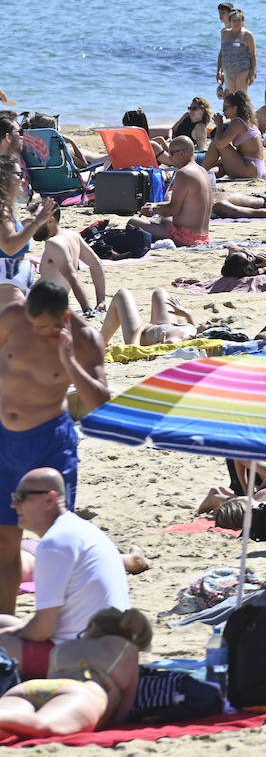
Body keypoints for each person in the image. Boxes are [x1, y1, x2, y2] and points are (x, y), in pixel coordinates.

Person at [0, 283, 108, 613]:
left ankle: (57, 625)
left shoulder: (84, 339)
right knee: (5, 541)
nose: (37, 332)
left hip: (49, 443)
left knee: (55, 541)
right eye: (33, 325)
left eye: (45, 327)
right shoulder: (12, 317)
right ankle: (4, 628)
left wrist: (69, 362)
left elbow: (101, 403)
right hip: (5, 441)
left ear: (64, 317)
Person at [0, 468, 128, 672]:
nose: (14, 504)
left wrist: (11, 635)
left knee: (3, 642)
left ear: (50, 499)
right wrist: (14, 630)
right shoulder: (77, 529)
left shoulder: (54, 543)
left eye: (21, 497)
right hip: (115, 652)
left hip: (84, 660)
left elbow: (43, 629)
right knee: (4, 621)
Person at [0, 606, 151, 737]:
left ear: (93, 627)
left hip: (33, 687)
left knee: (9, 719)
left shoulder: (64, 646)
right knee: (42, 725)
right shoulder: (127, 648)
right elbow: (123, 709)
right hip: (83, 692)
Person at [127, 137, 212, 245]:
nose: (169, 157)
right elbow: (184, 203)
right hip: (203, 236)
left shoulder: (183, 173)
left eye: (171, 153)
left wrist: (152, 210)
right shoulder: (202, 171)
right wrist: (155, 205)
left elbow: (173, 209)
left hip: (186, 237)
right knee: (163, 219)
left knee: (132, 223)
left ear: (182, 153)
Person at [31, 203, 106, 317]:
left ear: (51, 220)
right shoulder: (72, 235)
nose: (33, 225)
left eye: (36, 219)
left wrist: (86, 309)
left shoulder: (54, 243)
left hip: (45, 307)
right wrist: (101, 301)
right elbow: (96, 264)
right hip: (47, 301)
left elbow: (72, 277)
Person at [0, 155, 54, 299]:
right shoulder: (2, 210)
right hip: (7, 284)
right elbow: (9, 247)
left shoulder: (6, 208)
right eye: (19, 174)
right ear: (4, 178)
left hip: (11, 279)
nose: (23, 179)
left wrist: (26, 257)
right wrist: (36, 223)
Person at [100, 288, 197, 348]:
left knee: (122, 294)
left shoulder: (175, 340)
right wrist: (187, 315)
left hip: (140, 334)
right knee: (159, 292)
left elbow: (135, 350)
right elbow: (194, 334)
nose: (209, 322)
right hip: (164, 326)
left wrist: (140, 329)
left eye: (210, 325)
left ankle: (100, 343)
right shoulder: (194, 332)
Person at [200, 93, 265, 181]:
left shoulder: (237, 122)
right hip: (256, 168)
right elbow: (242, 151)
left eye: (225, 108)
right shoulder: (248, 121)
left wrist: (219, 125)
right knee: (222, 166)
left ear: (235, 108)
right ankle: (208, 174)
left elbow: (219, 144)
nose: (223, 111)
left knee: (216, 143)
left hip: (250, 169)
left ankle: (199, 173)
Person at [217, 9, 256, 95]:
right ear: (230, 21)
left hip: (243, 69)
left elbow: (253, 55)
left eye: (239, 20)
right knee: (232, 97)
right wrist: (219, 71)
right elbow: (221, 54)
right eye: (234, 21)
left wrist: (253, 72)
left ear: (242, 21)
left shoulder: (247, 35)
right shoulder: (224, 33)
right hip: (228, 70)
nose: (236, 23)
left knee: (241, 96)